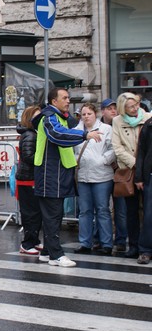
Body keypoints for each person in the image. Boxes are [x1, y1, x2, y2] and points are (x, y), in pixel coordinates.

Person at [33, 87, 102, 267]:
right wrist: (85, 134)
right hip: (50, 174)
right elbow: (57, 135)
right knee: (52, 215)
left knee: (55, 214)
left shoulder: (59, 117)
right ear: (54, 101)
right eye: (64, 98)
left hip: (57, 173)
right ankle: (56, 254)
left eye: (68, 98)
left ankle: (48, 252)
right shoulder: (49, 117)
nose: (68, 100)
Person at [112, 92, 152, 259]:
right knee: (131, 210)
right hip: (129, 170)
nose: (135, 108)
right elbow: (117, 147)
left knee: (149, 211)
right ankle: (134, 245)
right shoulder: (117, 121)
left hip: (146, 168)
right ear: (123, 109)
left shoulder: (148, 118)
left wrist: (142, 166)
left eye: (136, 104)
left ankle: (146, 247)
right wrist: (136, 164)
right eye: (131, 106)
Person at [73, 103, 116, 255]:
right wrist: (76, 159)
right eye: (83, 114)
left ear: (95, 114)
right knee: (85, 211)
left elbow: (113, 148)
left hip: (102, 175)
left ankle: (106, 243)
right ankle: (85, 242)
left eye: (89, 114)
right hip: (84, 175)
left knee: (103, 210)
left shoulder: (106, 129)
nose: (86, 117)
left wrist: (103, 160)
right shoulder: (76, 131)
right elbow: (71, 150)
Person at [16, 105, 44, 255]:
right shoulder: (30, 135)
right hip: (27, 179)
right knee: (30, 213)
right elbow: (28, 156)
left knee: (35, 212)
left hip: (31, 178)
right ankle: (27, 243)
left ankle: (34, 240)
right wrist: (42, 160)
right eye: (36, 116)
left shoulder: (32, 133)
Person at [100, 98, 126, 252]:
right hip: (102, 172)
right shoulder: (98, 127)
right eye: (109, 108)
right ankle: (100, 238)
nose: (113, 111)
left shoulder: (120, 125)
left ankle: (121, 239)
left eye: (114, 108)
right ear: (103, 111)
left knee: (120, 209)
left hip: (118, 171)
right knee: (101, 207)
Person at [134, 115, 152, 264]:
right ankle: (146, 250)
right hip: (150, 175)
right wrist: (139, 176)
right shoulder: (149, 125)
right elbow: (141, 152)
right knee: (149, 214)